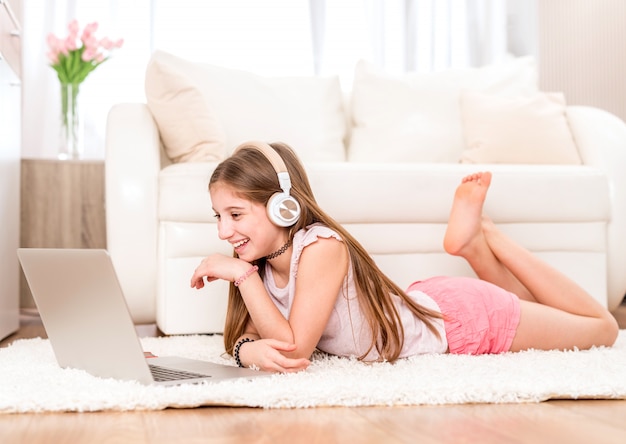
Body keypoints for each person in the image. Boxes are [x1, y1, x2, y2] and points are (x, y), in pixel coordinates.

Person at [190, 140, 619, 373]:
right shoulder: (261, 267)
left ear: (284, 207)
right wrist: (247, 352)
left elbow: (292, 347)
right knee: (538, 311)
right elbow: (253, 339)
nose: (224, 231)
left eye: (235, 214)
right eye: (218, 216)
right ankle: (471, 244)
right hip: (431, 303)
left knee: (602, 328)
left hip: (463, 323)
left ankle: (488, 234)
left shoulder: (321, 247)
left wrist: (239, 275)